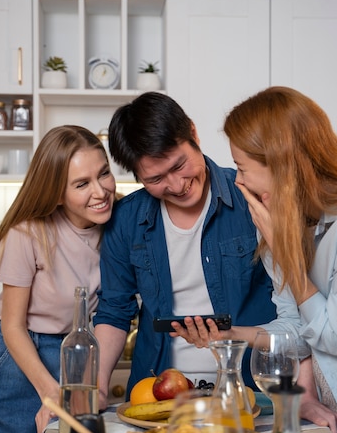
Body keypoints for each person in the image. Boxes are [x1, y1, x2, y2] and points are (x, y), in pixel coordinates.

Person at [177, 85, 337, 433]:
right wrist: (227, 335)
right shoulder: (289, 225)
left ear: (282, 162)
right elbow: (298, 331)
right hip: (335, 423)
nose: (239, 180)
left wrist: (284, 251)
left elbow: (333, 336)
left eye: (243, 168)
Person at [93, 92, 277, 407]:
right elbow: (114, 310)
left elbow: (293, 305)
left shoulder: (252, 198)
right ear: (138, 176)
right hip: (156, 395)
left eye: (179, 165)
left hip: (251, 390)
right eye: (155, 178)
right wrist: (95, 388)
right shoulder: (125, 220)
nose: (177, 185)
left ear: (193, 133)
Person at [0, 125, 116, 433]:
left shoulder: (119, 223)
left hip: (78, 357)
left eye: (103, 173)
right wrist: (50, 390)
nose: (100, 191)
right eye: (81, 184)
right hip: (20, 361)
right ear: (57, 192)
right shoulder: (28, 232)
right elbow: (13, 325)